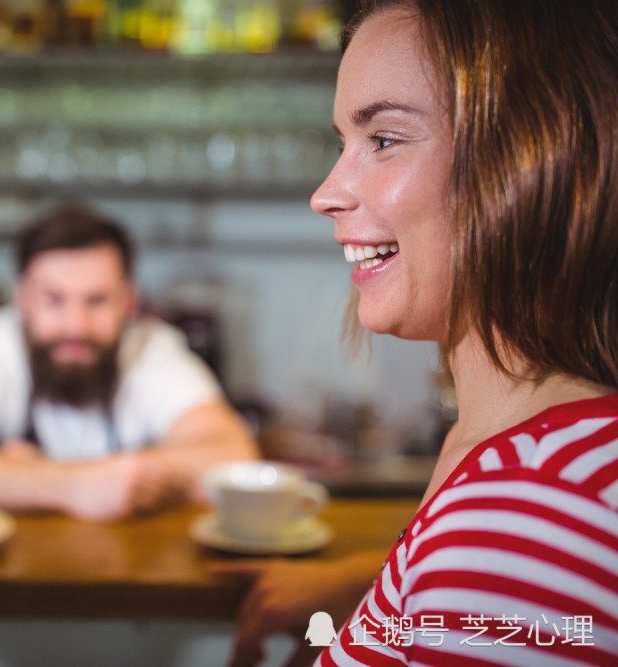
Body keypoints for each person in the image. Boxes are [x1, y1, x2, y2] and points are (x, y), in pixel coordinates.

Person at [215, 0, 618, 665]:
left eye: (384, 139)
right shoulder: (510, 460)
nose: (326, 193)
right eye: (342, 142)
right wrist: (368, 586)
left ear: (533, 155)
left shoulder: (519, 511)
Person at [0, 204, 258, 521]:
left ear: (129, 302)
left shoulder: (151, 351)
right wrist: (72, 485)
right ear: (23, 300)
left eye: (96, 301)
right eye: (54, 300)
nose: (76, 325)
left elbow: (233, 455)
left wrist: (28, 475)